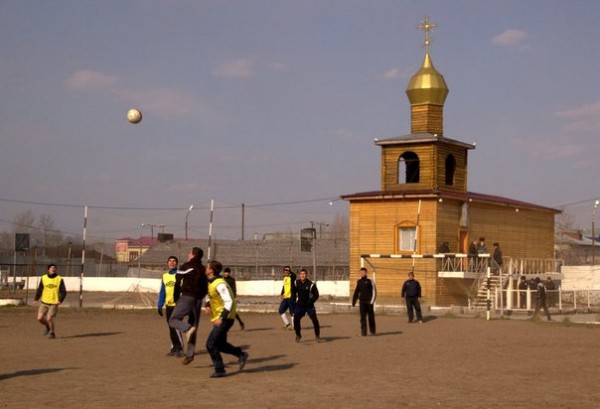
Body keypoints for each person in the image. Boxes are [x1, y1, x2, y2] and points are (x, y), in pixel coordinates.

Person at [203, 260, 248, 378]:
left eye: (207, 267)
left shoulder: (219, 283)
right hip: (220, 317)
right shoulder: (212, 282)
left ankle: (220, 369)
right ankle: (241, 354)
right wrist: (207, 305)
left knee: (210, 344)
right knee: (221, 344)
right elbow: (210, 295)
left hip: (226, 317)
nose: (205, 269)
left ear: (211, 270)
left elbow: (229, 301)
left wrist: (222, 318)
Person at [168, 247, 207, 365]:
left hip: (187, 298)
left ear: (193, 255)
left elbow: (177, 282)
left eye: (189, 252)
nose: (188, 254)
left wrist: (176, 298)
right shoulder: (203, 269)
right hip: (198, 300)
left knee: (173, 320)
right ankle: (190, 355)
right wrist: (200, 297)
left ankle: (187, 329)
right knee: (193, 327)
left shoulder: (186, 266)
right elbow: (206, 287)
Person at [157, 256, 184, 357]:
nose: (172, 263)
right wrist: (160, 305)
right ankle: (174, 347)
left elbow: (183, 290)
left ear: (177, 263)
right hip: (169, 305)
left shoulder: (180, 275)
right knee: (171, 327)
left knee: (175, 326)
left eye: (174, 261)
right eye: (170, 261)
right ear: (167, 263)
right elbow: (162, 291)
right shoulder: (165, 276)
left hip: (178, 305)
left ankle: (180, 348)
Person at [33, 263, 67, 339]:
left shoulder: (59, 279)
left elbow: (64, 291)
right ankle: (48, 326)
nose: (53, 269)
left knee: (49, 318)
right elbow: (40, 289)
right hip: (44, 302)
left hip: (54, 303)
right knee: (39, 318)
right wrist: (36, 299)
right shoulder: (44, 278)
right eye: (51, 268)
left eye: (54, 268)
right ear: (48, 269)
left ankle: (52, 333)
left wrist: (60, 300)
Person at [293, 268, 321, 342]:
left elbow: (316, 295)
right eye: (301, 274)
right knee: (296, 319)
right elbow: (292, 293)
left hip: (309, 306)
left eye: (304, 274)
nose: (302, 275)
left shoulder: (311, 284)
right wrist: (293, 301)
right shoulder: (296, 283)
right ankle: (298, 335)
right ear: (299, 275)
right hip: (299, 305)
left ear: (306, 275)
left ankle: (317, 336)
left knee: (315, 320)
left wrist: (311, 301)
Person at [351, 267, 376, 336]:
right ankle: (363, 332)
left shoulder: (370, 280)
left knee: (371, 317)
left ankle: (372, 331)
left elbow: (374, 291)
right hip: (362, 302)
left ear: (366, 273)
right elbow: (356, 291)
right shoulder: (359, 281)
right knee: (362, 318)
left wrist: (372, 301)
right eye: (361, 272)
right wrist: (354, 301)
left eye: (363, 272)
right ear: (360, 273)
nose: (362, 273)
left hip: (369, 302)